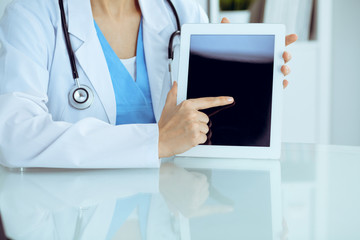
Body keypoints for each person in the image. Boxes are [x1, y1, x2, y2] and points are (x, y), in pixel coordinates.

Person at [0, 0, 297, 168]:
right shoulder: (32, 14)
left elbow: (207, 130)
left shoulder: (182, 11)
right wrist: (155, 141)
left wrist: (248, 84)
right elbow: (14, 136)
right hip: (74, 212)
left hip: (169, 210)